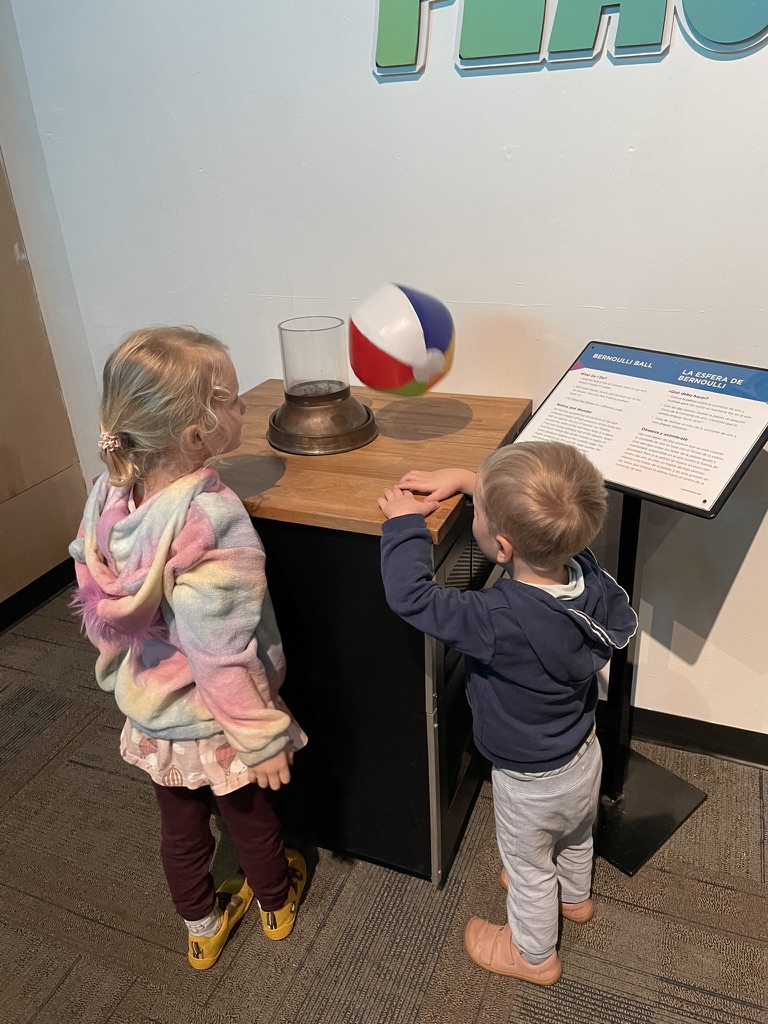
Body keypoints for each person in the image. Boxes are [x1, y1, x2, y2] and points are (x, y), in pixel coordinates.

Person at [69, 326, 307, 970]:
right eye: (232, 401)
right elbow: (219, 650)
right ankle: (276, 904)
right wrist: (259, 735)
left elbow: (89, 579)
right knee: (248, 817)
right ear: (197, 436)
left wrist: (123, 665)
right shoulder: (210, 517)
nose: (244, 409)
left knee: (180, 830)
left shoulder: (109, 491)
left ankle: (201, 928)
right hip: (213, 717)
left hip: (151, 708)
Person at [377, 441, 637, 986]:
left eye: (478, 511)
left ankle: (533, 955)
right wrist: (472, 480)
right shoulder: (582, 572)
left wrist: (403, 525)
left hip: (527, 778)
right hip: (581, 752)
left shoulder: (496, 618)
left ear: (501, 546)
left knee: (527, 870)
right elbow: (529, 518)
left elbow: (413, 598)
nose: (474, 510)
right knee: (575, 833)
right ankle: (576, 899)